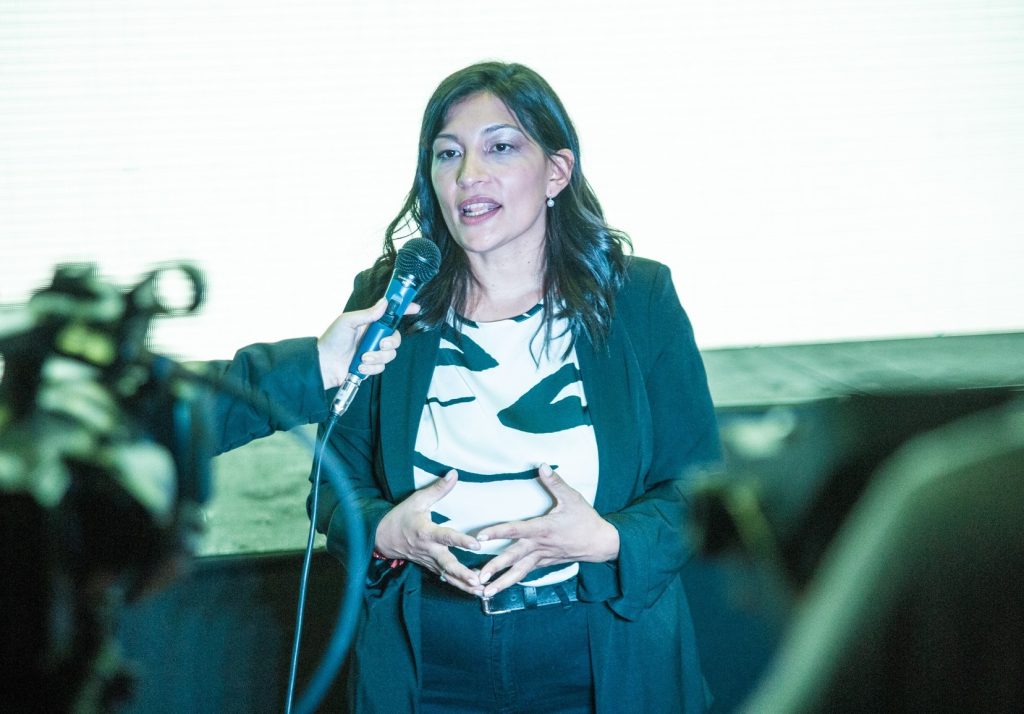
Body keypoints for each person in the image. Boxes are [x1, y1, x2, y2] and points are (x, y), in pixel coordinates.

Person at [309, 61, 721, 713]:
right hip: (429, 654)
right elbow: (332, 483)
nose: (469, 175)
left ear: (556, 172)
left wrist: (608, 539)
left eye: (500, 147)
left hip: (597, 650)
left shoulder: (638, 299)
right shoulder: (391, 299)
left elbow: (699, 490)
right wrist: (385, 530)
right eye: (448, 153)